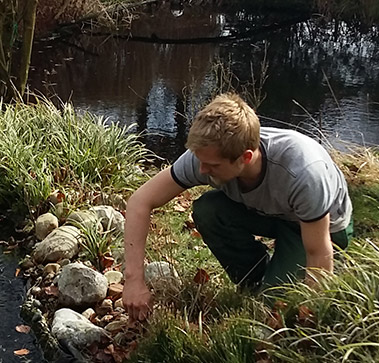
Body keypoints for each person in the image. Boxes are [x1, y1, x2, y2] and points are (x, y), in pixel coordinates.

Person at [120, 93, 353, 321]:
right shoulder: (206, 156)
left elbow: (318, 251)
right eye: (200, 161)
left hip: (322, 228)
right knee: (208, 210)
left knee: (277, 310)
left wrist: (312, 314)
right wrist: (133, 280)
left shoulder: (303, 172)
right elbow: (140, 201)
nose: (201, 170)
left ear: (246, 157)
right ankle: (257, 282)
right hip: (271, 213)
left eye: (212, 165)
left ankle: (278, 286)